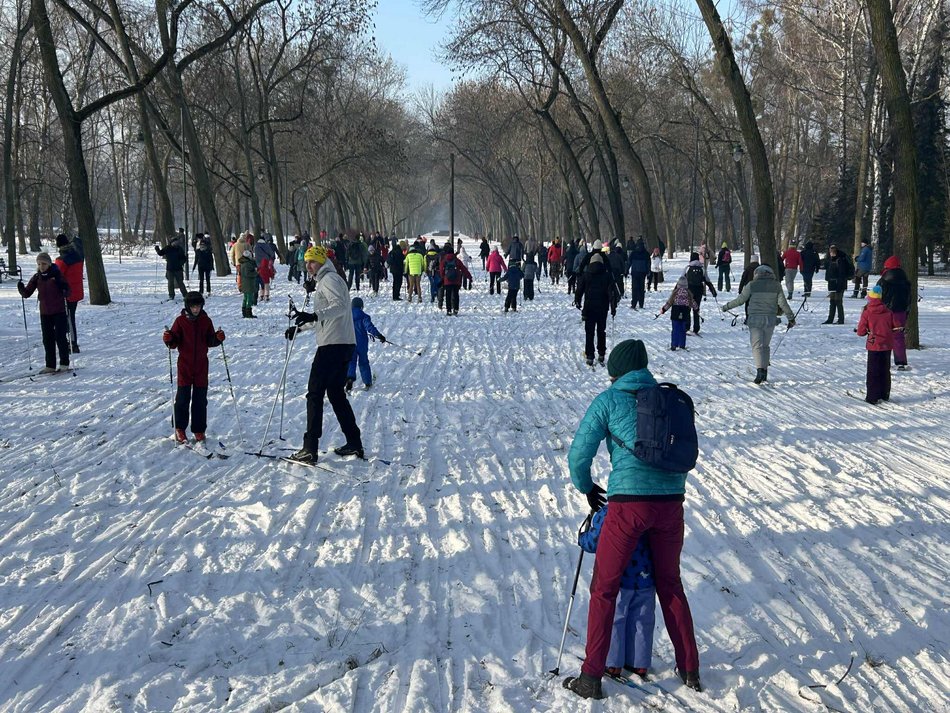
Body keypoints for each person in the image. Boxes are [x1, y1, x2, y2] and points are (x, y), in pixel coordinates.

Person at [563, 339, 701, 700]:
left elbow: (579, 453)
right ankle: (689, 667)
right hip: (672, 504)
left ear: (615, 371)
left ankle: (591, 676)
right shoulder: (669, 401)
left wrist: (586, 487)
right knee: (670, 584)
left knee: (605, 589)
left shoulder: (608, 400)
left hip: (628, 506)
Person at [285, 245, 363, 464]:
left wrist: (313, 314)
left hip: (333, 345)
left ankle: (310, 447)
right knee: (336, 395)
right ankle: (354, 442)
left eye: (313, 261)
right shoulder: (327, 280)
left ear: (322, 261)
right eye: (307, 262)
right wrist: (300, 327)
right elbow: (325, 316)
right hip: (341, 343)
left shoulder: (329, 279)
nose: (309, 266)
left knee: (315, 394)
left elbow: (339, 307)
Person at [579, 504, 656, 679]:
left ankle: (613, 663)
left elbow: (594, 542)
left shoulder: (609, 512)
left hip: (621, 577)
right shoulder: (649, 510)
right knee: (642, 620)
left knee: (616, 617)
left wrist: (582, 538)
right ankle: (639, 663)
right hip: (646, 577)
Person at [162, 291, 225, 443]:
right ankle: (179, 428)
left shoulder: (205, 321)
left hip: (202, 366)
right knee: (183, 398)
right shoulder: (180, 321)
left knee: (200, 399)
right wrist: (169, 339)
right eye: (193, 306)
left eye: (198, 306)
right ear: (187, 306)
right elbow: (174, 341)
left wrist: (217, 338)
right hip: (185, 365)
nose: (196, 309)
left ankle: (199, 430)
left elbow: (210, 340)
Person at [722, 265, 795, 383]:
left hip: (755, 319)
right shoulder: (776, 285)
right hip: (770, 319)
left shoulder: (751, 285)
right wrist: (791, 317)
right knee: (765, 346)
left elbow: (740, 300)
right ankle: (764, 372)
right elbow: (783, 303)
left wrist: (726, 307)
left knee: (757, 346)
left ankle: (759, 371)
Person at [18, 252, 71, 373]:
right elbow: (27, 293)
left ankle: (64, 363)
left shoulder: (57, 275)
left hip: (59, 311)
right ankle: (50, 365)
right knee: (47, 339)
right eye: (39, 264)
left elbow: (68, 291)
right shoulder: (37, 277)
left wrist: (63, 288)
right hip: (45, 313)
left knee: (60, 337)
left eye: (44, 263)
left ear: (49, 263)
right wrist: (21, 288)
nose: (41, 266)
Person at [856, 285, 899, 403]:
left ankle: (872, 396)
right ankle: (884, 394)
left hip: (874, 344)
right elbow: (896, 326)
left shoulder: (867, 311)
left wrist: (865, 332)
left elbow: (861, 331)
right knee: (885, 369)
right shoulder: (888, 311)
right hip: (886, 344)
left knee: (873, 371)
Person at [574, 252, 617, 365]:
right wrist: (613, 307)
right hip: (603, 308)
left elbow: (579, 290)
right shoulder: (607, 276)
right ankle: (601, 353)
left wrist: (577, 301)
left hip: (589, 307)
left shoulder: (586, 275)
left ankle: (590, 355)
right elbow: (612, 293)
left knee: (589, 332)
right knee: (601, 331)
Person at [877, 255, 911, 369]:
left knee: (882, 335)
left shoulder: (883, 280)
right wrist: (906, 311)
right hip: (900, 311)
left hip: (885, 311)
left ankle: (882, 360)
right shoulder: (905, 281)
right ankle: (900, 361)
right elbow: (909, 298)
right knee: (898, 336)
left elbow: (877, 296)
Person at [346, 297, 385, 391]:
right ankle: (367, 382)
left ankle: (350, 378)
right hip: (362, 344)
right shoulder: (364, 316)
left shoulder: (346, 316)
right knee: (363, 362)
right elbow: (369, 327)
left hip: (350, 343)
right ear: (361, 306)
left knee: (351, 362)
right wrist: (379, 335)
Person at [54, 233, 84, 352]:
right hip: (76, 291)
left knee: (68, 318)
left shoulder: (62, 260)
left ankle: (72, 343)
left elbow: (56, 275)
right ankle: (72, 342)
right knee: (70, 317)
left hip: (66, 292)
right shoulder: (78, 255)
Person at [659, 275, 698, 352]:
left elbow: (669, 303)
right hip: (685, 312)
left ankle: (674, 344)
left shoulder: (675, 293)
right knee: (682, 329)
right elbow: (693, 303)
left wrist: (663, 309)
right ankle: (682, 344)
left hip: (675, 312)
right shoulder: (688, 293)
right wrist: (696, 309)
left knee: (675, 329)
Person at [684, 253, 717, 335]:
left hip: (689, 290)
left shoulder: (687, 268)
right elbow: (707, 280)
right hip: (699, 290)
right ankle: (696, 328)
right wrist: (712, 290)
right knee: (696, 308)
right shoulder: (702, 268)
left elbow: (682, 279)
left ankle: (687, 326)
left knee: (687, 308)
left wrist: (676, 290)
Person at [823, 244, 854, 324]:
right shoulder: (830, 260)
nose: (831, 253)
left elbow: (842, 274)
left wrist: (839, 286)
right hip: (832, 283)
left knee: (838, 302)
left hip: (839, 284)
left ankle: (841, 319)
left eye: (832, 252)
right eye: (830, 252)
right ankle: (830, 319)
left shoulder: (840, 260)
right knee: (832, 302)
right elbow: (828, 271)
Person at [439, 245, 473, 315]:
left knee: (448, 296)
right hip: (456, 280)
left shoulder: (444, 260)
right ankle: (456, 309)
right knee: (456, 295)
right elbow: (464, 269)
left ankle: (448, 310)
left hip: (447, 281)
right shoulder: (457, 260)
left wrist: (443, 277)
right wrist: (469, 277)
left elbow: (441, 270)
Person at [628, 238, 649, 309]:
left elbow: (629, 262)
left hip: (635, 273)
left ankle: (634, 304)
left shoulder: (633, 253)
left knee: (634, 289)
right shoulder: (646, 253)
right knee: (641, 289)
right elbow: (648, 264)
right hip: (642, 273)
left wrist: (626, 270)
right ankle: (641, 304)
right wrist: (648, 272)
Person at [255, 234, 277, 302]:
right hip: (265, 264)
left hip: (258, 266)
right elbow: (271, 253)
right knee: (266, 282)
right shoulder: (266, 245)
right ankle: (266, 296)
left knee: (261, 281)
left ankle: (261, 295)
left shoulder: (256, 246)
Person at [238, 249, 258, 318]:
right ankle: (248, 313)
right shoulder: (247, 264)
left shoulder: (243, 263)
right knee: (249, 298)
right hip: (248, 284)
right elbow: (248, 273)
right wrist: (255, 273)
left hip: (245, 283)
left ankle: (244, 312)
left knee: (245, 298)